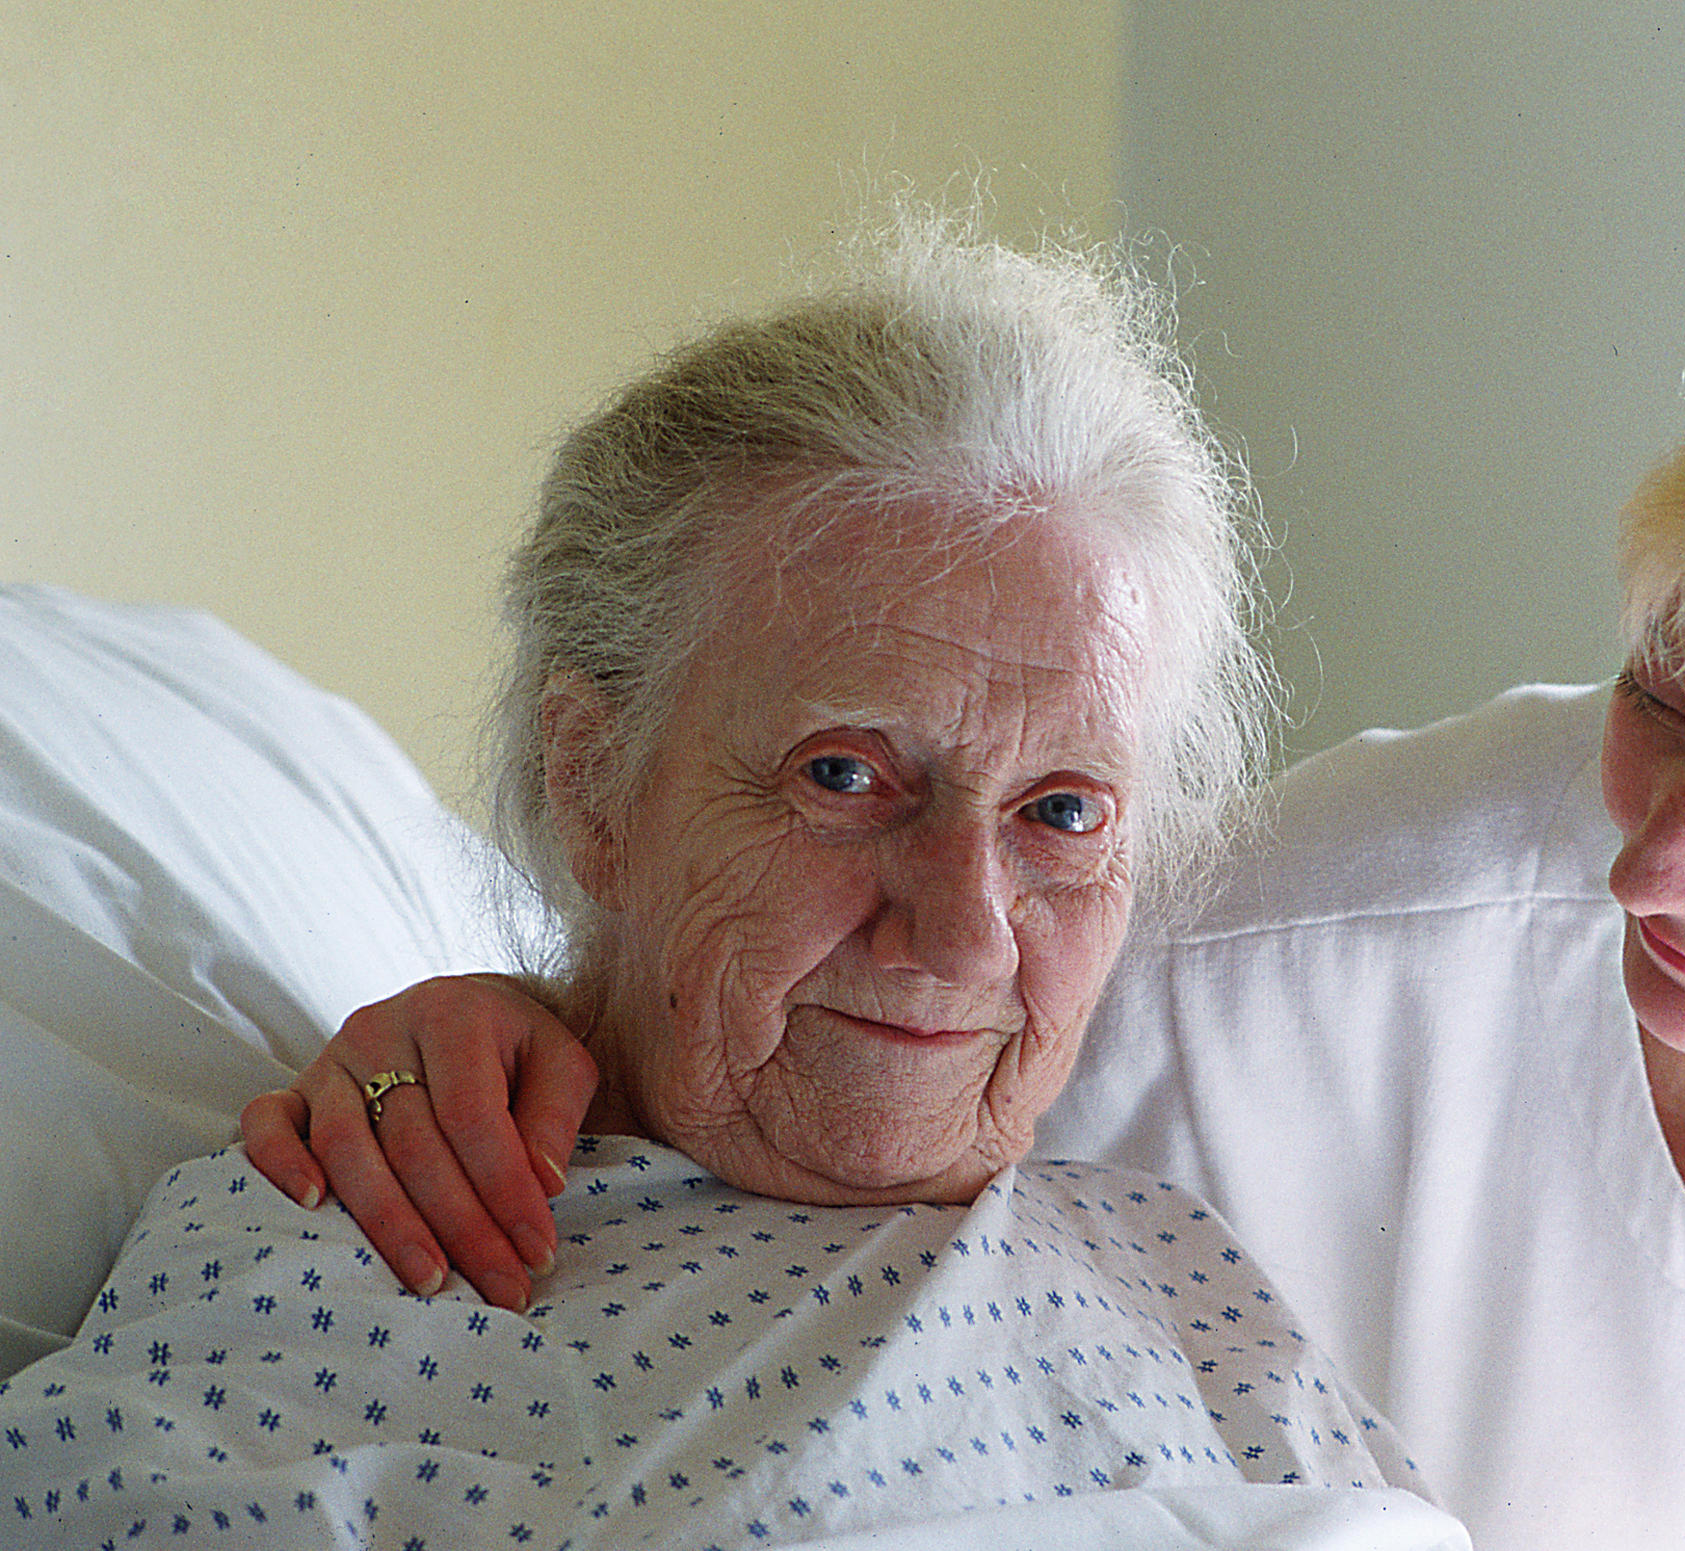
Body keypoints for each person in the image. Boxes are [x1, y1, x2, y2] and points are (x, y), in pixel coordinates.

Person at [236, 261, 1685, 1547]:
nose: (1662, 863)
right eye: (1660, 706)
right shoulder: (1289, 952)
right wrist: (502, 1002)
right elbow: (866, 1018)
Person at [0, 215, 1466, 1550]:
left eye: (1063, 810)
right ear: (594, 783)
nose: (961, 938)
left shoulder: (1177, 1266)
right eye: (844, 776)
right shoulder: (344, 1244)